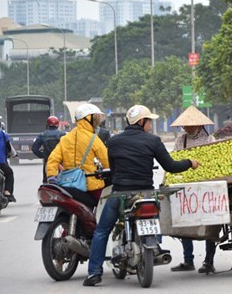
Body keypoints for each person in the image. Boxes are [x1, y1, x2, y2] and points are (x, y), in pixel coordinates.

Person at [83, 104, 201, 286]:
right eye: (149, 122)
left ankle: (94, 273)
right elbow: (170, 166)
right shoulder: (153, 141)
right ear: (141, 122)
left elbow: (113, 170)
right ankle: (156, 246)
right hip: (145, 193)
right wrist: (189, 162)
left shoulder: (114, 142)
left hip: (120, 193)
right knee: (155, 216)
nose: (150, 125)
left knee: (102, 230)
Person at [169, 105, 217, 274]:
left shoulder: (209, 139)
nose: (188, 128)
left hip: (206, 186)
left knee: (210, 222)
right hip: (186, 185)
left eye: (191, 125)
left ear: (198, 124)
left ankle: (209, 261)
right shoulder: (180, 140)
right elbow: (174, 159)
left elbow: (214, 161)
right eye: (185, 125)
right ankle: (188, 260)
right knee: (184, 222)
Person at [46, 103, 109, 208]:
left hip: (67, 184)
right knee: (107, 205)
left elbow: (53, 159)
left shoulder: (65, 138)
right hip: (91, 186)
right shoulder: (93, 139)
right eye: (95, 119)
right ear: (88, 119)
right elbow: (106, 160)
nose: (96, 123)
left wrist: (51, 175)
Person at [32, 116, 66, 183]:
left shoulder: (42, 135)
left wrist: (43, 155)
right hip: (60, 162)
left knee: (46, 181)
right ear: (58, 124)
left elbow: (34, 149)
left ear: (47, 125)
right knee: (63, 181)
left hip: (48, 161)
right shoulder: (62, 134)